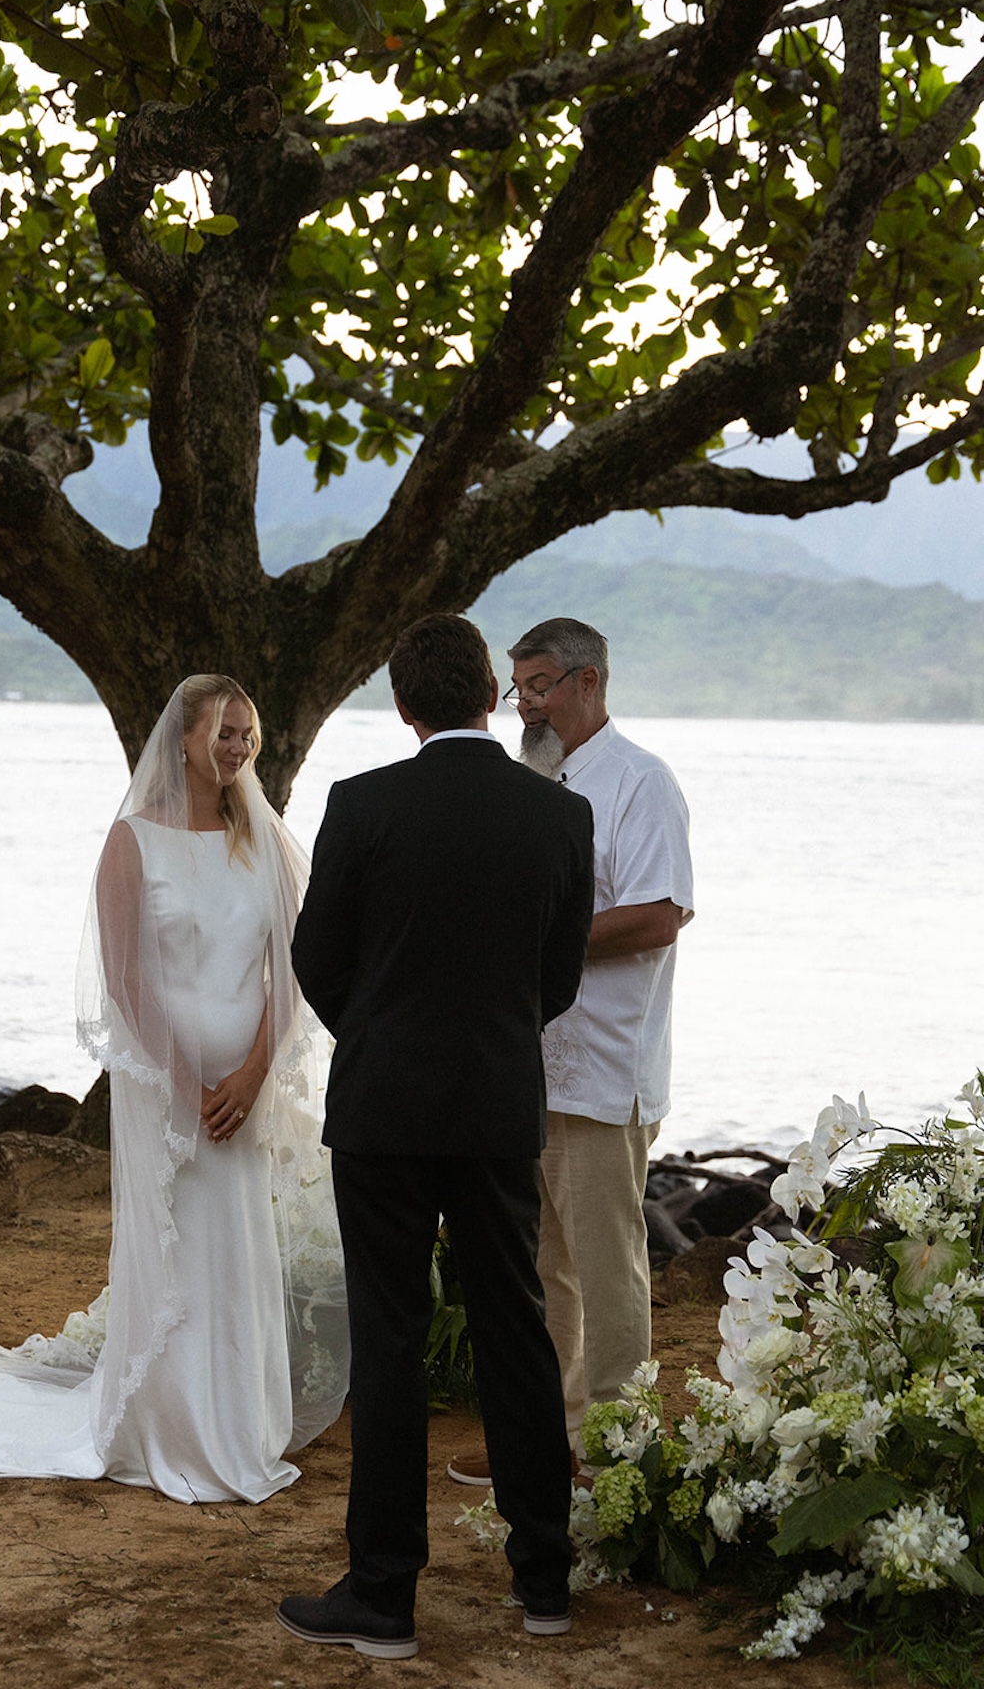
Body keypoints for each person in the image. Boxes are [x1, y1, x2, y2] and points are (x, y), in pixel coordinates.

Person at [0, 675, 349, 1504]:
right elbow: (124, 977)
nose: (237, 746)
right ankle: (169, 1425)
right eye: (223, 730)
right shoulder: (132, 842)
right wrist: (188, 1083)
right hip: (165, 1084)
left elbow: (293, 970)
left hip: (244, 1088)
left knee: (238, 1241)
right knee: (179, 1244)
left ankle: (241, 1423)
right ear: (181, 740)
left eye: (247, 732)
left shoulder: (265, 841)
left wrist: (251, 1075)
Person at [277, 615, 594, 1660]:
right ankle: (543, 1579)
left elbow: (317, 959)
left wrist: (378, 1034)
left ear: (403, 708)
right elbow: (557, 979)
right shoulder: (557, 815)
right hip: (498, 1103)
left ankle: (383, 1598)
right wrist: (489, 1040)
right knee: (513, 1328)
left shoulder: (361, 805)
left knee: (389, 1338)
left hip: (383, 1108)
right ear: (490, 700)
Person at [447, 618, 693, 1486]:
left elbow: (662, 915)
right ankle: (546, 1436)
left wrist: (542, 939)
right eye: (519, 687)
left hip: (603, 1069)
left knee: (605, 1263)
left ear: (591, 682)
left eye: (543, 683)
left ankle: (621, 1450)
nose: (528, 704)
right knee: (542, 1265)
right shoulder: (533, 782)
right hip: (528, 1060)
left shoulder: (640, 784)